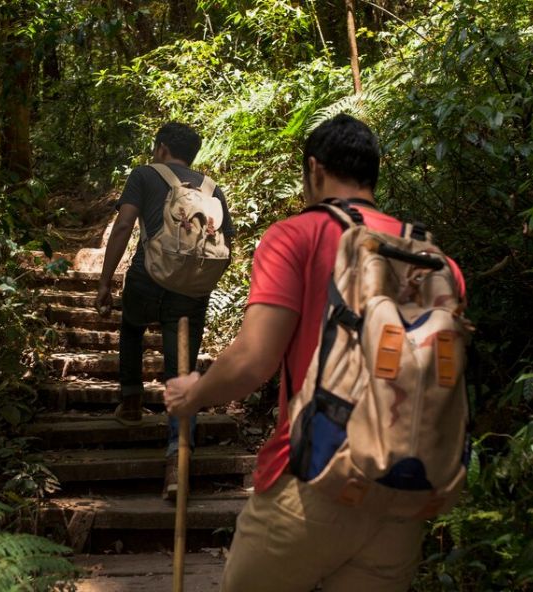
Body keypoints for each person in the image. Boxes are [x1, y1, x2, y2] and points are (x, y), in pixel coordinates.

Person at [164, 113, 467, 591]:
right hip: (405, 493)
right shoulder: (433, 261)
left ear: (315, 170)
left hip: (314, 477)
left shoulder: (296, 235)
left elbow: (253, 360)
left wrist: (195, 394)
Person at [96, 122, 235, 501]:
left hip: (148, 276)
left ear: (161, 148)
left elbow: (125, 224)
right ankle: (177, 457)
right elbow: (227, 244)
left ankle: (131, 402)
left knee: (131, 327)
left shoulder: (144, 174)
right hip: (191, 288)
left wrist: (106, 281)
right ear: (192, 154)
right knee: (181, 369)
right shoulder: (211, 189)